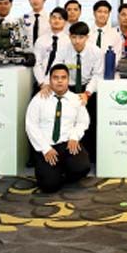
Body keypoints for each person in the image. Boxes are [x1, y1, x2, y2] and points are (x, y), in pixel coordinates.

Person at [25, 64, 91, 193]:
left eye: (63, 77)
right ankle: (53, 173)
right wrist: (46, 149)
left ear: (68, 80)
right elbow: (31, 125)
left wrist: (74, 137)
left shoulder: (76, 99)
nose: (60, 81)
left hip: (67, 144)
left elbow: (83, 122)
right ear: (50, 80)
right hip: (46, 146)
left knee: (82, 167)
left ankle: (61, 171)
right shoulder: (39, 99)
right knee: (49, 186)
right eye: (55, 78)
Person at [54, 22, 104, 162]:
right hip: (67, 88)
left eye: (81, 37)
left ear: (87, 37)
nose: (77, 41)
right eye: (74, 37)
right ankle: (65, 154)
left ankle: (90, 156)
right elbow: (56, 68)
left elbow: (97, 75)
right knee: (67, 121)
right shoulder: (63, 49)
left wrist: (87, 93)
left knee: (90, 121)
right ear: (69, 36)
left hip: (87, 88)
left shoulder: (96, 51)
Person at [33, 8, 70, 91]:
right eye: (54, 17)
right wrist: (42, 83)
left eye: (60, 18)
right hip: (41, 84)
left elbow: (69, 65)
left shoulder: (69, 42)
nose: (56, 20)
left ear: (65, 22)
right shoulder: (41, 40)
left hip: (61, 85)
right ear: (49, 20)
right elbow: (36, 63)